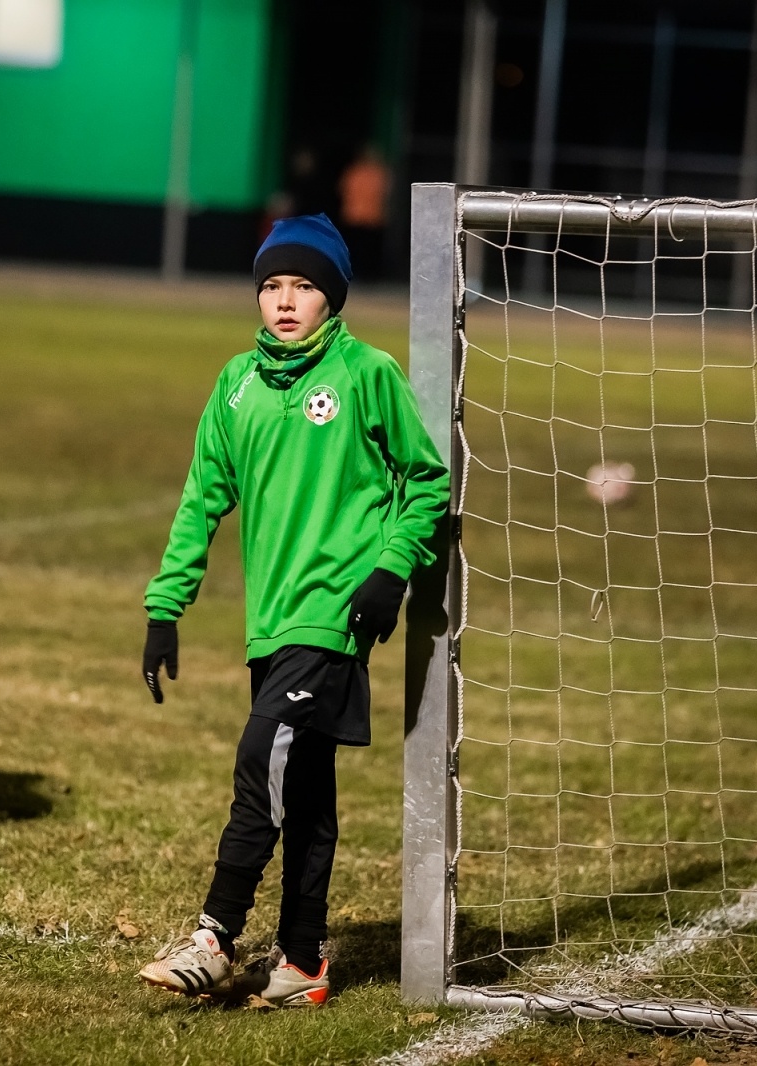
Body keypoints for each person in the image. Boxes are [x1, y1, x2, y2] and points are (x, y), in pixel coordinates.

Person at [136, 214, 449, 1007]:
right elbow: (202, 499)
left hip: (334, 619)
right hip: (269, 626)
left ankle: (214, 936)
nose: (284, 300)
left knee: (261, 760)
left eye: (304, 286)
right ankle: (304, 962)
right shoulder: (235, 383)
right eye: (272, 284)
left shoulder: (365, 372)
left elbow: (428, 480)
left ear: (331, 298)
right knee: (304, 792)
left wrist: (390, 569)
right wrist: (166, 606)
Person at [337, 144, 390, 279]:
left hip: (371, 217)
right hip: (357, 216)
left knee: (370, 250)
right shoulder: (356, 172)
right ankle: (360, 274)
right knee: (357, 249)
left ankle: (369, 275)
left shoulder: (378, 173)